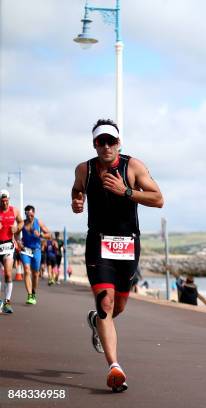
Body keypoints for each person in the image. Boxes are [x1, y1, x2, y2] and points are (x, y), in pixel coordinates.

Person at [71, 119, 164, 393]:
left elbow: (158, 199)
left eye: (111, 141)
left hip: (127, 245)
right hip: (98, 244)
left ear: (119, 143)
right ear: (94, 144)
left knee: (118, 307)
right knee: (106, 303)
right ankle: (114, 367)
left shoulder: (133, 166)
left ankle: (96, 322)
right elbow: (77, 189)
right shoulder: (84, 169)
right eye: (102, 141)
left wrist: (125, 191)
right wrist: (77, 201)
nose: (107, 146)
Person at [19, 205, 50, 304]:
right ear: (25, 214)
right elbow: (15, 233)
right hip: (25, 250)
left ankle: (33, 292)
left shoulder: (38, 222)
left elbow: (49, 235)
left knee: (35, 274)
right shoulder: (22, 223)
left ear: (34, 213)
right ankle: (29, 295)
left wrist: (40, 234)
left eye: (31, 214)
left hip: (36, 250)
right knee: (27, 271)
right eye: (27, 215)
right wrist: (18, 241)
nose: (29, 217)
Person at [0, 189, 24, 314]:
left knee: (8, 274)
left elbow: (21, 222)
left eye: (6, 201)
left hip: (8, 246)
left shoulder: (14, 210)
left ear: (9, 200)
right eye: (2, 201)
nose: (5, 203)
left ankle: (7, 302)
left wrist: (17, 228)